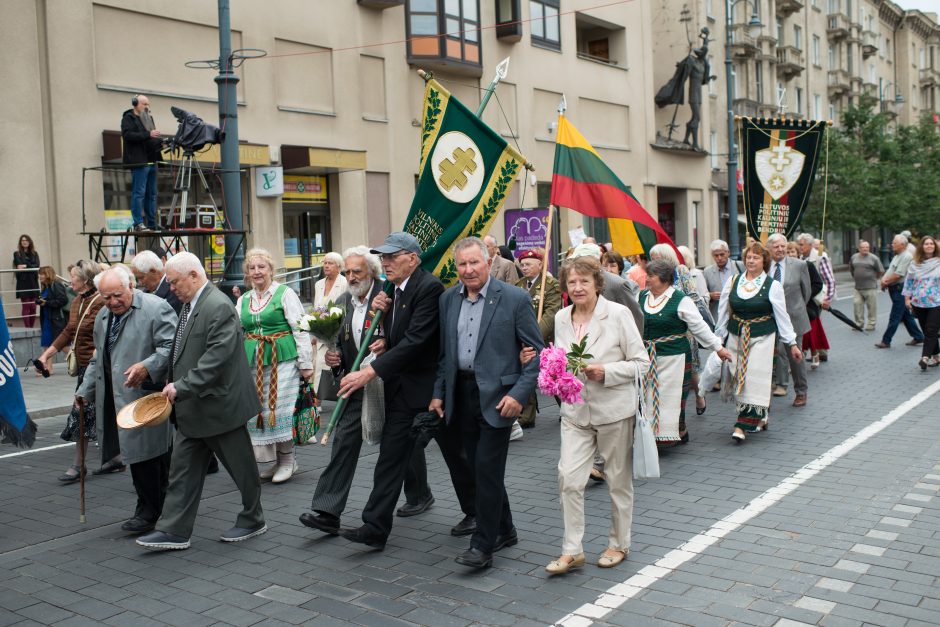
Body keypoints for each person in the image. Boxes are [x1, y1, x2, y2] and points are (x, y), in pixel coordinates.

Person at [137, 252, 265, 551]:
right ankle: (174, 530)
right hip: (194, 406)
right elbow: (181, 351)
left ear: (194, 275)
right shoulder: (191, 303)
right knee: (181, 471)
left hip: (220, 406)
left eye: (175, 282)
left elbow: (216, 358)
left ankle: (253, 517)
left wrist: (182, 386)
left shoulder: (218, 306)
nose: (171, 288)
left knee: (242, 468)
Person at [431, 237, 543, 569]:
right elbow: (444, 355)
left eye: (474, 263)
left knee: (487, 470)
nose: (468, 270)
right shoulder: (448, 299)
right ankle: (505, 529)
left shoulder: (514, 299)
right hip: (460, 395)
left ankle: (483, 545)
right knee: (477, 469)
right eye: (462, 265)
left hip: (499, 398)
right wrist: (438, 392)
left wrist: (518, 396)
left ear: (488, 261)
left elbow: (536, 356)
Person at [335, 232, 445, 550]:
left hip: (430, 392)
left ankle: (483, 516)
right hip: (401, 391)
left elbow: (417, 341)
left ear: (413, 258)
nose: (385, 262)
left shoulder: (429, 288)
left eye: (392, 256)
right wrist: (382, 332)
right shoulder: (389, 290)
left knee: (458, 458)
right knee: (389, 458)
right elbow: (396, 336)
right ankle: (375, 526)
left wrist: (369, 371)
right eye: (383, 257)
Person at [547, 256, 649, 574]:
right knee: (568, 478)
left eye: (584, 281)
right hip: (575, 412)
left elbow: (640, 363)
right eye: (572, 282)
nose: (577, 287)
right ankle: (572, 550)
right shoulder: (562, 317)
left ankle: (618, 543)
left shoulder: (617, 314)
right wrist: (552, 370)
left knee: (618, 481)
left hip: (614, 412)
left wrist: (605, 371)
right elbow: (562, 360)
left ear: (597, 284)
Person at [76, 267, 176, 533]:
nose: (112, 302)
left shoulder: (157, 308)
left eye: (117, 295)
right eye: (106, 297)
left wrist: (146, 366)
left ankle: (151, 511)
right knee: (138, 455)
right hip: (118, 395)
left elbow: (172, 348)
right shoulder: (103, 316)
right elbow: (99, 358)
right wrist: (84, 392)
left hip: (148, 396)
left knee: (151, 456)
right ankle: (153, 508)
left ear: (130, 285)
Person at [300, 247, 387, 535]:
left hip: (387, 383)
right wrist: (333, 359)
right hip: (353, 383)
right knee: (344, 443)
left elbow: (406, 334)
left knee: (399, 447)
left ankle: (419, 492)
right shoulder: (341, 301)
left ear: (372, 272)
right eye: (347, 272)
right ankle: (327, 511)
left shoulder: (388, 295)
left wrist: (386, 341)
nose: (350, 277)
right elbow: (333, 340)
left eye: (356, 272)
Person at [237, 248, 313, 484]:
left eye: (262, 267)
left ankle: (288, 460)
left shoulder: (284, 293)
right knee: (260, 411)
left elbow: (300, 328)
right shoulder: (243, 299)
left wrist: (306, 363)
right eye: (252, 268)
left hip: (283, 360)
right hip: (254, 362)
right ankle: (278, 461)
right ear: (247, 273)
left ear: (271, 270)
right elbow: (236, 331)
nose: (257, 272)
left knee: (280, 410)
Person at [715, 242, 801, 442]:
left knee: (754, 378)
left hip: (762, 337)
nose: (750, 260)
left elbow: (782, 316)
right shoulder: (733, 281)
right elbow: (723, 312)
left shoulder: (773, 286)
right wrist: (718, 339)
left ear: (765, 261)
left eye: (755, 257)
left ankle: (742, 424)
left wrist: (792, 343)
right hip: (736, 336)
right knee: (738, 376)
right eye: (748, 257)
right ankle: (761, 416)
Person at [640, 259, 730, 446]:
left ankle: (669, 433)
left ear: (664, 279)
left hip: (675, 357)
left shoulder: (681, 300)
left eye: (651, 275)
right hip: (647, 356)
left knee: (671, 396)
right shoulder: (641, 297)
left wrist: (718, 348)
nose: (646, 279)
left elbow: (699, 327)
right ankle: (658, 433)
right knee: (649, 396)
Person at [39, 261, 112, 481]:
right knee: (92, 413)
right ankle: (114, 458)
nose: (69, 280)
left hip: (99, 367)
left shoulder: (102, 301)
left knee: (82, 414)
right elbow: (69, 330)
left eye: (73, 276)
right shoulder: (77, 301)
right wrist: (46, 355)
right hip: (83, 368)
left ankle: (79, 465)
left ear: (86, 280)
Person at [514, 249, 562, 432]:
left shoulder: (551, 285)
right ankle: (527, 415)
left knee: (553, 376)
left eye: (528, 264)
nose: (524, 268)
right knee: (525, 374)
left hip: (544, 339)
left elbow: (551, 313)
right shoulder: (519, 285)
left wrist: (534, 337)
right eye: (523, 265)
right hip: (524, 340)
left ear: (540, 265)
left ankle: (568, 408)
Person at [766, 233, 812, 407]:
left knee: (796, 357)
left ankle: (801, 392)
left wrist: (795, 308)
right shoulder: (765, 265)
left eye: (783, 246)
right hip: (770, 319)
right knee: (768, 354)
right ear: (770, 249)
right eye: (776, 246)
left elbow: (806, 292)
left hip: (794, 318)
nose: (780, 249)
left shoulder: (799, 265)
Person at [121, 94, 163, 231]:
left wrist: (162, 143)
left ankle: (152, 223)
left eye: (148, 104)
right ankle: (138, 223)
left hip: (151, 160)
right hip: (139, 161)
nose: (147, 107)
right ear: (135, 104)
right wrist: (148, 135)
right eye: (144, 104)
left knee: (152, 193)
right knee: (139, 192)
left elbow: (151, 139)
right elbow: (127, 135)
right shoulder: (128, 118)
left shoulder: (148, 119)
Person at [876, 234, 924, 349]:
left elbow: (898, 275)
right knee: (906, 316)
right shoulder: (898, 255)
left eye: (894, 243)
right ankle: (918, 336)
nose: (892, 244)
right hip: (895, 290)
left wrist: (884, 282)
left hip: (900, 290)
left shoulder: (906, 256)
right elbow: (892, 271)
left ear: (902, 245)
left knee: (895, 316)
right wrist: (885, 281)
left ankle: (886, 340)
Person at [903, 236, 940, 370]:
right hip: (919, 302)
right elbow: (909, 282)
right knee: (928, 331)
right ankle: (936, 356)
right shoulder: (915, 264)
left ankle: (925, 357)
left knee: (931, 329)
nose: (929, 246)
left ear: (935, 247)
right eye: (926, 244)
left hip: (936, 302)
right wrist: (907, 299)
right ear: (922, 247)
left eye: (932, 244)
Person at [312, 252, 348, 393]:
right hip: (321, 332)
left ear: (338, 267)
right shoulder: (318, 284)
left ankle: (325, 397)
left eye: (330, 263)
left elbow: (346, 309)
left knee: (329, 366)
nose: (326, 266)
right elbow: (317, 308)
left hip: (337, 330)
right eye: (325, 263)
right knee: (318, 365)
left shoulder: (344, 283)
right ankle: (318, 399)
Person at [130, 249, 182, 314]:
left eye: (141, 278)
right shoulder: (145, 293)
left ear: (153, 271)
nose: (140, 282)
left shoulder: (174, 290)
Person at [703, 239, 744, 320]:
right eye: (716, 255)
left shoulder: (741, 266)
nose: (719, 258)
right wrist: (710, 296)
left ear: (728, 253)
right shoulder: (707, 271)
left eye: (722, 254)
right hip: (718, 316)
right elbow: (702, 294)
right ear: (712, 255)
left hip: (738, 315)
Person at [849, 240, 884, 331]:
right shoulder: (854, 257)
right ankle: (859, 323)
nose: (865, 249)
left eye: (867, 247)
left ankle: (871, 323)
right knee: (857, 305)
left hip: (870, 287)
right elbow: (852, 269)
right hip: (858, 287)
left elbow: (880, 271)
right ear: (859, 248)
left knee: (871, 306)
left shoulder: (874, 258)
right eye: (863, 247)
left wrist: (874, 278)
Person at [36, 266, 68, 351]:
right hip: (47, 320)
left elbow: (63, 300)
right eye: (39, 274)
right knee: (46, 345)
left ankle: (76, 361)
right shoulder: (45, 287)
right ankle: (47, 365)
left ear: (48, 274)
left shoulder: (56, 285)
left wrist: (46, 303)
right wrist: (40, 301)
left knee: (62, 345)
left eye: (42, 274)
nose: (39, 276)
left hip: (56, 320)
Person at [13, 235, 40, 328]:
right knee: (26, 306)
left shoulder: (35, 254)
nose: (24, 242)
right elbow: (19, 264)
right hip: (23, 283)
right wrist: (31, 266)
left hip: (33, 282)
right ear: (20, 243)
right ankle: (28, 328)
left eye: (26, 240)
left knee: (33, 307)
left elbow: (37, 266)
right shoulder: (17, 254)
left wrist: (25, 265)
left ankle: (31, 327)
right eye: (22, 240)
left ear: (29, 242)